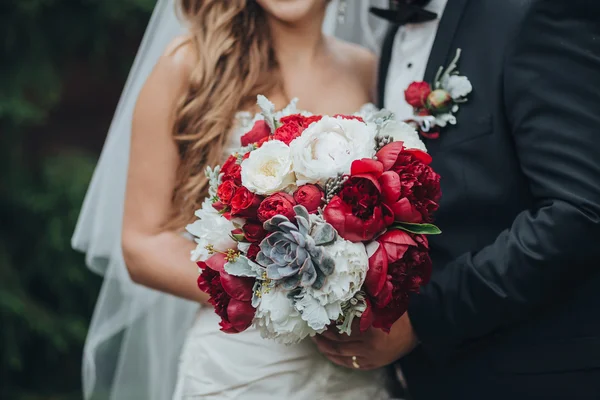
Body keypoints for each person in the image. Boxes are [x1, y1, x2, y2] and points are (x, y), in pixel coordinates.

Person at [73, 0, 394, 399]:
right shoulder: (190, 64)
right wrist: (287, 296)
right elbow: (142, 242)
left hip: (352, 370)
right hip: (240, 369)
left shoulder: (367, 68)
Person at [314, 0, 600, 399]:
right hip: (423, 379)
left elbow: (580, 212)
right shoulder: (393, 37)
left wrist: (423, 319)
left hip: (533, 373)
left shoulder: (532, 12)